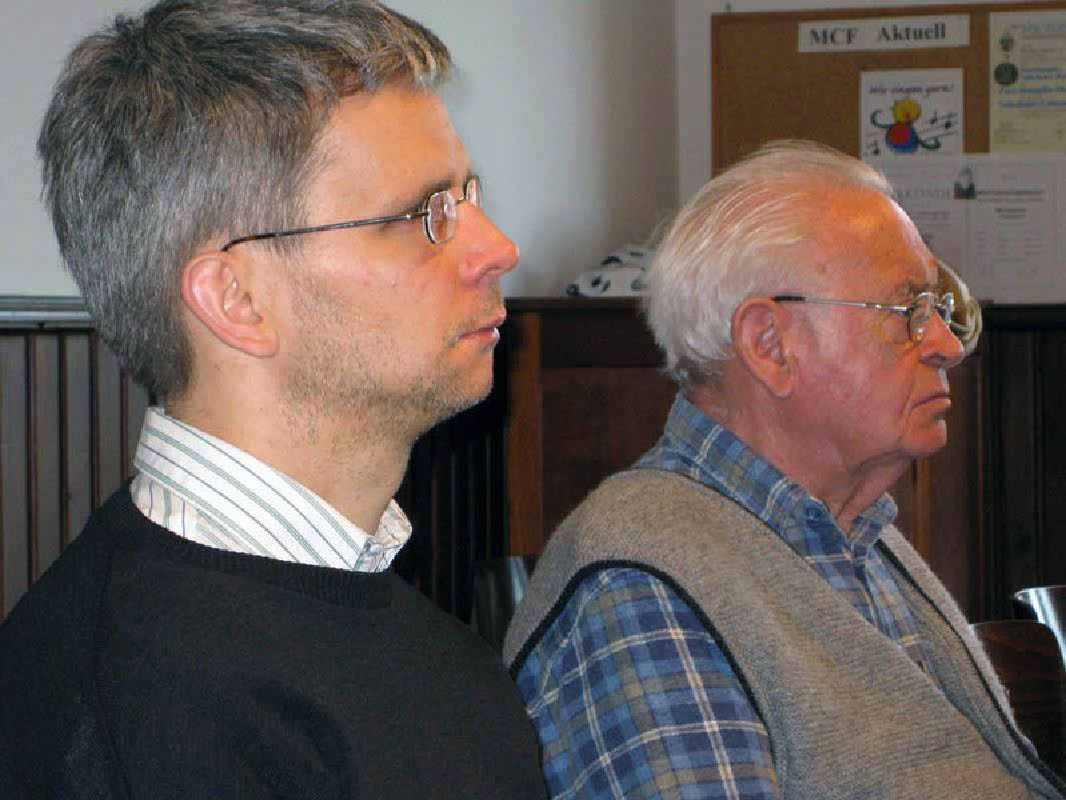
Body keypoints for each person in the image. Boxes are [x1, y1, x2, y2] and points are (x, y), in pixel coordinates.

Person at [0, 2, 546, 797]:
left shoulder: (412, 636)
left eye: (469, 194)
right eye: (425, 215)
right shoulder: (145, 719)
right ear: (238, 301)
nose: (497, 248)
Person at [505, 141, 1065, 799]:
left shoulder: (855, 533)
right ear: (770, 346)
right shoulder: (638, 582)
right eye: (909, 312)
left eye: (938, 311)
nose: (946, 345)